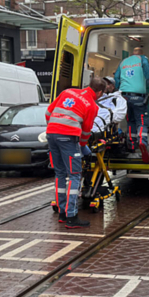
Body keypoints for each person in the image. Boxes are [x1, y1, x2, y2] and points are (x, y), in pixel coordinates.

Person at [45, 77, 105, 228]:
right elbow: (86, 131)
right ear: (99, 93)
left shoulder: (67, 92)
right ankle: (72, 217)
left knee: (60, 173)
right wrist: (83, 147)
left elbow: (48, 112)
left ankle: (62, 213)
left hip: (51, 134)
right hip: (68, 138)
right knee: (75, 175)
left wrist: (54, 129)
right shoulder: (91, 105)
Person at [115, 45, 149, 151]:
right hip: (138, 96)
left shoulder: (123, 62)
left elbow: (116, 77)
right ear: (141, 53)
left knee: (130, 120)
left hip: (125, 96)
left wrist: (118, 88)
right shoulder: (142, 59)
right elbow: (145, 66)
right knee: (141, 121)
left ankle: (131, 143)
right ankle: (142, 142)